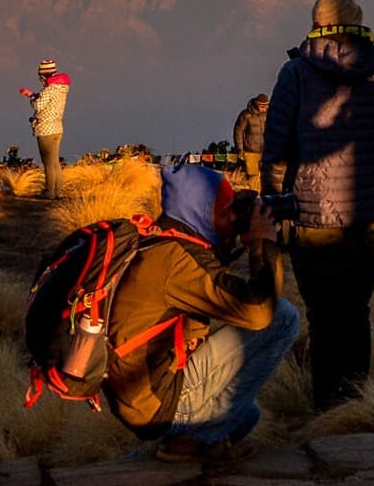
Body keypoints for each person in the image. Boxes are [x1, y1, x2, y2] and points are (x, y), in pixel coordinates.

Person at [262, 0, 374, 409]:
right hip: (367, 220)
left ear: (316, 22)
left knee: (323, 316)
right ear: (357, 20)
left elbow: (276, 149)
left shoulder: (296, 74)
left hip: (313, 219)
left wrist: (272, 205)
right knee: (357, 311)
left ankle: (328, 407)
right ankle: (357, 402)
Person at [102, 160, 298, 461]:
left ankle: (192, 437)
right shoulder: (176, 260)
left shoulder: (161, 241)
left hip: (142, 397)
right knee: (283, 318)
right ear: (201, 212)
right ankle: (189, 441)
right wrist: (263, 244)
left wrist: (234, 238)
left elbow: (212, 281)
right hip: (158, 403)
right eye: (225, 211)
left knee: (247, 416)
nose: (232, 218)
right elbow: (258, 311)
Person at [19, 59, 70, 200]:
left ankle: (49, 192)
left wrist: (31, 98)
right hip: (58, 128)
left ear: (44, 75)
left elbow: (38, 105)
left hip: (46, 129)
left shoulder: (49, 89)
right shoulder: (61, 89)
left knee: (48, 162)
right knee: (55, 162)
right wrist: (32, 94)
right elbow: (45, 101)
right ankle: (58, 192)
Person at [233, 94, 269, 191]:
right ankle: (254, 194)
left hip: (266, 150)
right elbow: (238, 132)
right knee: (252, 175)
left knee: (267, 175)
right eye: (262, 107)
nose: (264, 109)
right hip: (250, 151)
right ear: (257, 105)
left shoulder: (270, 115)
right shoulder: (246, 115)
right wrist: (240, 149)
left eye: (266, 106)